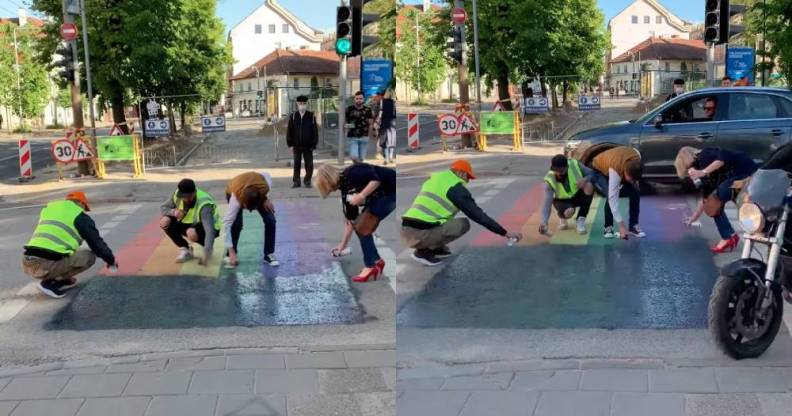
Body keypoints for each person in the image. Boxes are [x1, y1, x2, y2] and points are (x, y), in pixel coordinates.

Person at [401, 160, 523, 266]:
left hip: (406, 229)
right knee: (463, 224)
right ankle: (422, 252)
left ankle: (434, 248)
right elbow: (478, 216)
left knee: (446, 220)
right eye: (468, 177)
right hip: (418, 234)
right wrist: (505, 233)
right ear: (461, 173)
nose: (468, 181)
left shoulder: (437, 178)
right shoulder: (456, 189)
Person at [22, 191, 117, 299]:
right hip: (44, 265)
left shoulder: (51, 210)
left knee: (70, 251)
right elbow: (97, 245)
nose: (83, 211)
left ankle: (61, 279)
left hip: (28, 262)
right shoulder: (80, 217)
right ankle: (51, 283)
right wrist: (111, 261)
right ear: (81, 203)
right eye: (84, 208)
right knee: (89, 256)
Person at [314, 163, 396, 282]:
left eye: (326, 188)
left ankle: (370, 266)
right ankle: (376, 260)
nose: (329, 191)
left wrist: (362, 195)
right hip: (379, 196)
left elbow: (376, 180)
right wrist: (342, 246)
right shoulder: (345, 191)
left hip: (391, 191)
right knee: (359, 225)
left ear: (328, 181)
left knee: (363, 227)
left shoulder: (353, 172)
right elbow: (351, 222)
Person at [675, 146, 758, 253]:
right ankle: (741, 232)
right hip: (740, 176)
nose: (690, 176)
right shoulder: (707, 173)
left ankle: (728, 237)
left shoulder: (704, 155)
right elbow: (706, 199)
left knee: (715, 201)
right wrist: (694, 218)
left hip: (744, 173)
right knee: (714, 203)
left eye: (688, 171)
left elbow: (723, 157)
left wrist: (703, 172)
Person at [586, 146, 645, 239]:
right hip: (598, 170)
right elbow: (613, 198)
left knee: (635, 192)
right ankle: (608, 227)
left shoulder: (637, 157)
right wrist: (621, 226)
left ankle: (633, 225)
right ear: (625, 171)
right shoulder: (615, 171)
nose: (631, 181)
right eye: (630, 179)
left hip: (617, 162)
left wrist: (633, 183)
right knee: (610, 195)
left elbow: (633, 178)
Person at [223, 171, 278, 267]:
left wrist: (266, 199)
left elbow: (266, 174)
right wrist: (230, 250)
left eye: (253, 208)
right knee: (236, 224)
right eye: (247, 208)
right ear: (242, 203)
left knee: (270, 219)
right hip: (232, 189)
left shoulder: (265, 187)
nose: (250, 211)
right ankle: (231, 253)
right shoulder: (236, 200)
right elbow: (226, 224)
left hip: (257, 192)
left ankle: (269, 254)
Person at [159, 178, 220, 265]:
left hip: (208, 227)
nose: (186, 199)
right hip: (187, 223)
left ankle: (206, 247)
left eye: (189, 197)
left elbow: (210, 230)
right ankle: (186, 249)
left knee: (191, 233)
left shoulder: (204, 203)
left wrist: (207, 252)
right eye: (183, 196)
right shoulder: (177, 194)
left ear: (194, 192)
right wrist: (174, 212)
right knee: (164, 221)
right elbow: (163, 208)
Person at [539, 155, 595, 236]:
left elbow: (593, 174)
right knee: (569, 212)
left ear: (567, 167)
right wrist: (544, 223)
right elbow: (547, 205)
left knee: (589, 186)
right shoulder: (550, 179)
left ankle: (581, 219)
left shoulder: (574, 165)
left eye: (561, 171)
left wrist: (584, 179)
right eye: (555, 170)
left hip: (576, 195)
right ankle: (562, 216)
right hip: (561, 200)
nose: (558, 173)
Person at [286, 95, 319, 188]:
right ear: (297, 104)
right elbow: (289, 131)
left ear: (306, 104)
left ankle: (307, 181)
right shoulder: (293, 116)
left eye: (304, 103)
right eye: (300, 103)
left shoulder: (311, 116)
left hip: (308, 146)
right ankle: (296, 182)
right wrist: (290, 144)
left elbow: (315, 131)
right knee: (297, 163)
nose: (302, 105)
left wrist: (314, 144)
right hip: (296, 145)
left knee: (309, 164)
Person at [345, 91, 374, 162]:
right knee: (354, 157)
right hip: (353, 137)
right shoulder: (349, 109)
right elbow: (345, 123)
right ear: (354, 99)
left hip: (364, 137)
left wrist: (369, 135)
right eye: (357, 98)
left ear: (364, 99)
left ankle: (358, 171)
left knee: (361, 159)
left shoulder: (368, 110)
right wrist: (347, 129)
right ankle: (358, 168)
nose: (358, 100)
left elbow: (371, 123)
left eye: (360, 98)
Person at [378, 90, 397, 165]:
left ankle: (386, 159)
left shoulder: (382, 102)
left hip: (384, 123)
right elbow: (395, 113)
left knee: (385, 141)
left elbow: (380, 113)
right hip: (392, 123)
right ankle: (391, 157)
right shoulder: (394, 102)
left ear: (386, 94)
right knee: (391, 141)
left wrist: (378, 121)